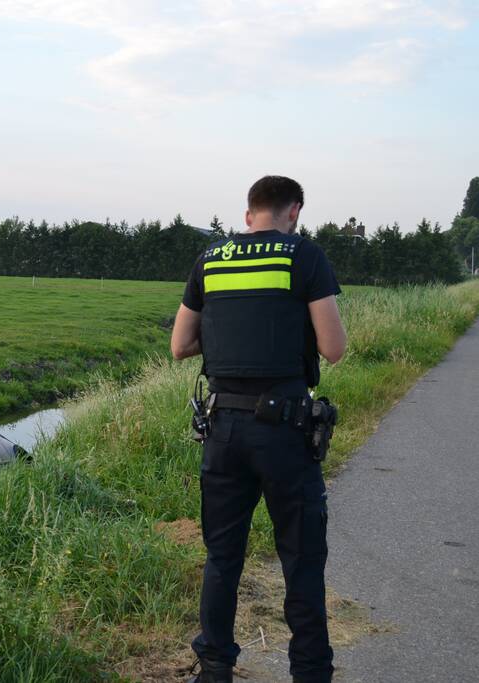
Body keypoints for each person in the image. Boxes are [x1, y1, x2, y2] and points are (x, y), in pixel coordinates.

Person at [170, 176, 347, 683]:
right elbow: (333, 348)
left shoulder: (211, 259)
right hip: (286, 431)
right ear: (294, 211)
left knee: (222, 556)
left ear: (249, 214)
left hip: (223, 429)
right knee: (301, 557)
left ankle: (215, 668)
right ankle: (310, 673)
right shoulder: (303, 255)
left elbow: (180, 345)